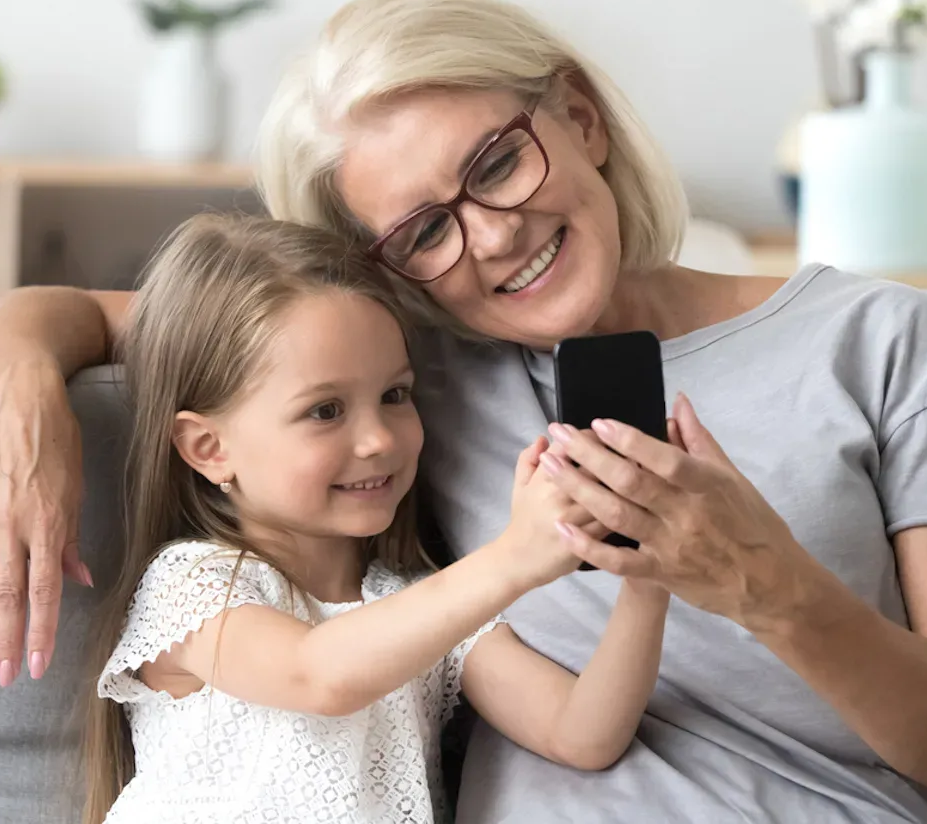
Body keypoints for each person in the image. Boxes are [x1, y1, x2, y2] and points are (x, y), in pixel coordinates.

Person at [0, 0, 927, 823]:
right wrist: (19, 403)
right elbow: (105, 320)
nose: (491, 235)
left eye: (498, 163)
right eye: (424, 231)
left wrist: (765, 585)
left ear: (580, 117)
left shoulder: (876, 339)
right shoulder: (400, 369)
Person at [82, 211, 668, 824]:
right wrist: (513, 558)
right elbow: (318, 675)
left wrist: (650, 578)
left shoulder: (417, 606)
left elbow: (581, 734)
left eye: (395, 395)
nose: (379, 440)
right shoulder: (192, 586)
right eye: (325, 410)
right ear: (210, 449)